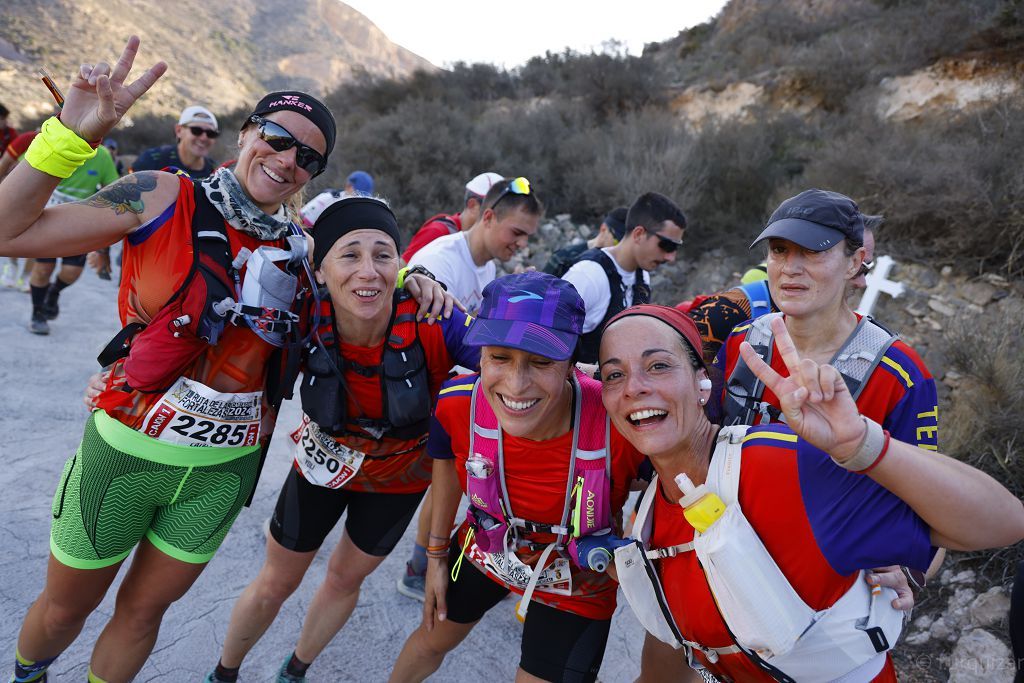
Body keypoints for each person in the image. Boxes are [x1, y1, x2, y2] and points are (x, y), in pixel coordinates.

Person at [0, 38, 448, 683]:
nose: (287, 159)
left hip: (219, 472)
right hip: (125, 451)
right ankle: (26, 673)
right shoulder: (158, 196)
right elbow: (10, 231)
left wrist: (420, 284)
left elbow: (366, 284)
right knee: (67, 608)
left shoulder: (306, 255)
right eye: (276, 135)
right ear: (246, 133)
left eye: (308, 156)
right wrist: (69, 134)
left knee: (143, 614)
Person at [598, 305, 1024, 682]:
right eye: (615, 375)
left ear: (703, 382)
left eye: (658, 366)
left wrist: (863, 446)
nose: (634, 386)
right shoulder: (652, 515)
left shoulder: (781, 467)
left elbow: (1005, 522)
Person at [205, 196, 478, 683]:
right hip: (323, 462)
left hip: (399, 478)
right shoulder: (303, 313)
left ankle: (295, 670)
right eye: (350, 255)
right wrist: (120, 381)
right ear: (322, 268)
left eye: (383, 255)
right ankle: (225, 673)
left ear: (401, 263)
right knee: (277, 581)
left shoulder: (435, 316)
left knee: (344, 578)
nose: (368, 272)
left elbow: (508, 360)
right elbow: (216, 359)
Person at [389, 272, 647, 683]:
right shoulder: (459, 405)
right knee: (431, 640)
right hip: (485, 545)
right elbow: (447, 471)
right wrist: (435, 557)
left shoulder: (619, 420)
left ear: (571, 364)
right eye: (499, 357)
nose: (516, 383)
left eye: (541, 361)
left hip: (578, 573)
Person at [715, 192, 937, 452]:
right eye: (779, 249)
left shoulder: (900, 374)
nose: (790, 268)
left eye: (812, 251)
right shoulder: (742, 342)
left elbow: (917, 486)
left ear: (854, 263)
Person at [685, 213, 882, 366]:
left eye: (865, 268)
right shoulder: (727, 313)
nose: (861, 282)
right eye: (779, 250)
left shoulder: (878, 351)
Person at [0, 128, 119, 333]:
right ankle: (37, 313)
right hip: (46, 215)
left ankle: (53, 293)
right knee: (44, 267)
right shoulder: (50, 147)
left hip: (79, 219)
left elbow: (113, 189)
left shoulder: (102, 156)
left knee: (71, 272)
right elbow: (16, 168)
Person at [562, 192, 685, 364]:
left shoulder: (642, 277)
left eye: (675, 248)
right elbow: (548, 345)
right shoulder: (589, 275)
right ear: (639, 234)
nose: (671, 257)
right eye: (667, 245)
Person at [409, 176, 543, 315]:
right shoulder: (438, 261)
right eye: (516, 232)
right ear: (488, 218)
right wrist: (504, 299)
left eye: (527, 236)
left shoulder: (488, 266)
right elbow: (444, 334)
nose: (523, 244)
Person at [401, 171, 504, 262]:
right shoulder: (438, 231)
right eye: (495, 211)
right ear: (472, 205)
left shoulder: (478, 248)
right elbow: (401, 268)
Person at [130, 104, 219, 179]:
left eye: (211, 133)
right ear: (179, 131)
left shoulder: (215, 172)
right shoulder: (152, 160)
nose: (203, 138)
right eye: (196, 131)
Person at [542, 206, 628, 278]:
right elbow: (538, 291)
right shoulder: (563, 257)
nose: (619, 248)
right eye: (617, 242)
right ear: (603, 229)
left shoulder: (621, 271)